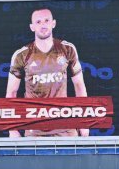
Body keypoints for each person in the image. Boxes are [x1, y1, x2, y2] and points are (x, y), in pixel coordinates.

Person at [6, 8, 89, 138]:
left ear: (53, 23)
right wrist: (12, 128)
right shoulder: (21, 55)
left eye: (46, 21)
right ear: (32, 27)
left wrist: (84, 122)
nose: (43, 25)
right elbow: (11, 93)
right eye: (38, 22)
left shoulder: (67, 49)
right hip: (34, 128)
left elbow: (79, 86)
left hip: (65, 127)